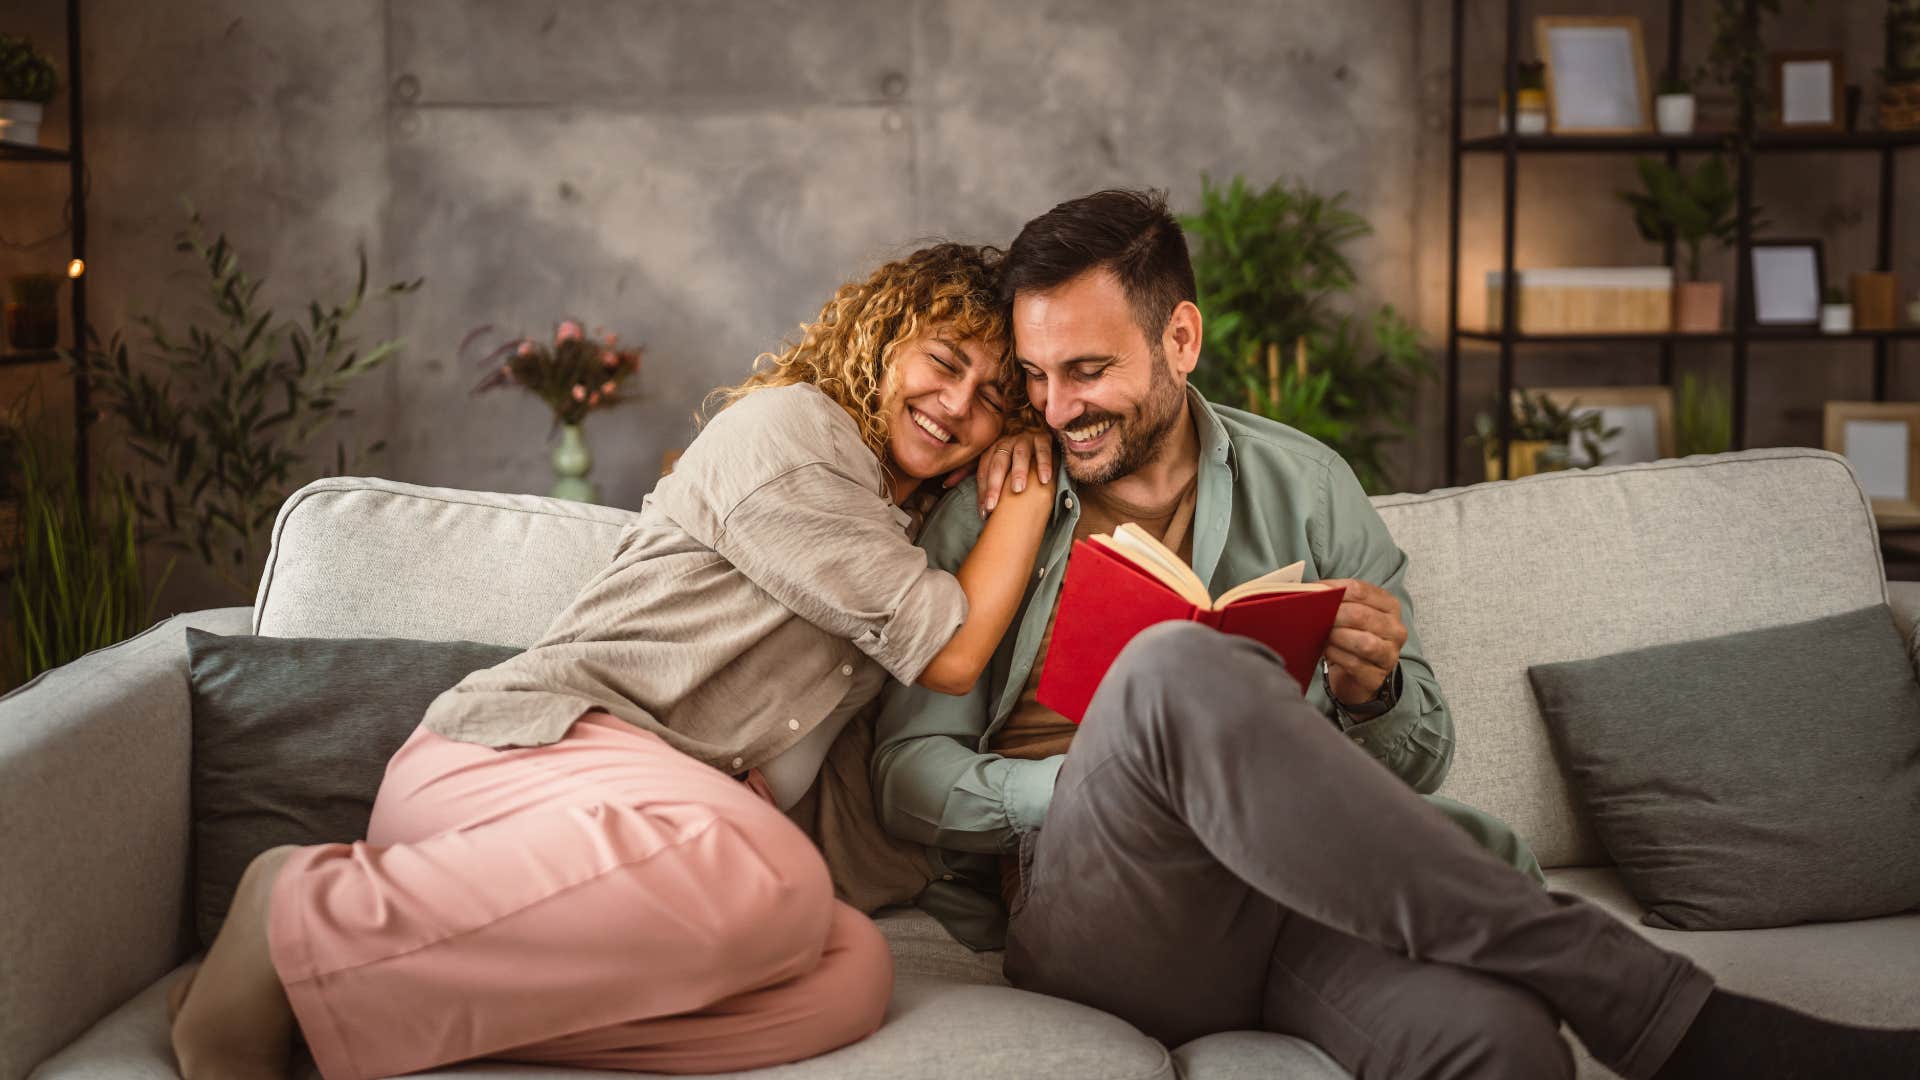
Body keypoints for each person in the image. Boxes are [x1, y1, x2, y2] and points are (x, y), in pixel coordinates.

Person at [873, 190, 1920, 1080]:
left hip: (1298, 900)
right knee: (1176, 667)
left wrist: (1371, 693)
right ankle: (1672, 1016)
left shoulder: (1310, 483)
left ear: (1179, 340)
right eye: (1039, 374)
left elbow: (1420, 755)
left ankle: (1623, 1012)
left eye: (1089, 371)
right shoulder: (1000, 500)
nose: (1055, 407)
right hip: (1104, 903)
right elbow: (905, 772)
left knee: (1502, 1045)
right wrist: (1126, 778)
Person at [167, 242, 1055, 1080]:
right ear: (882, 340)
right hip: (526, 761)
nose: (958, 404)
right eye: (944, 362)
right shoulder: (794, 434)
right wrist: (1031, 481)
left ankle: (358, 1005)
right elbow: (950, 651)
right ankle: (294, 904)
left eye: (993, 400)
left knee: (848, 972)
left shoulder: (896, 528)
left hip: (640, 856)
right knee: (778, 882)